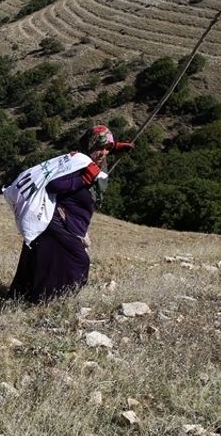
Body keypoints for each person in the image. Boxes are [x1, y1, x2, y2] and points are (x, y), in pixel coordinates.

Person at [8, 126, 132, 303]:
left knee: (39, 263)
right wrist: (83, 179)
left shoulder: (91, 161)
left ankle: (26, 299)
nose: (104, 152)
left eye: (108, 148)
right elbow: (53, 185)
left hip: (66, 222)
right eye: (101, 147)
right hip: (57, 221)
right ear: (90, 145)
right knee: (77, 261)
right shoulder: (78, 163)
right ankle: (49, 301)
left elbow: (99, 158)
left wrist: (114, 148)